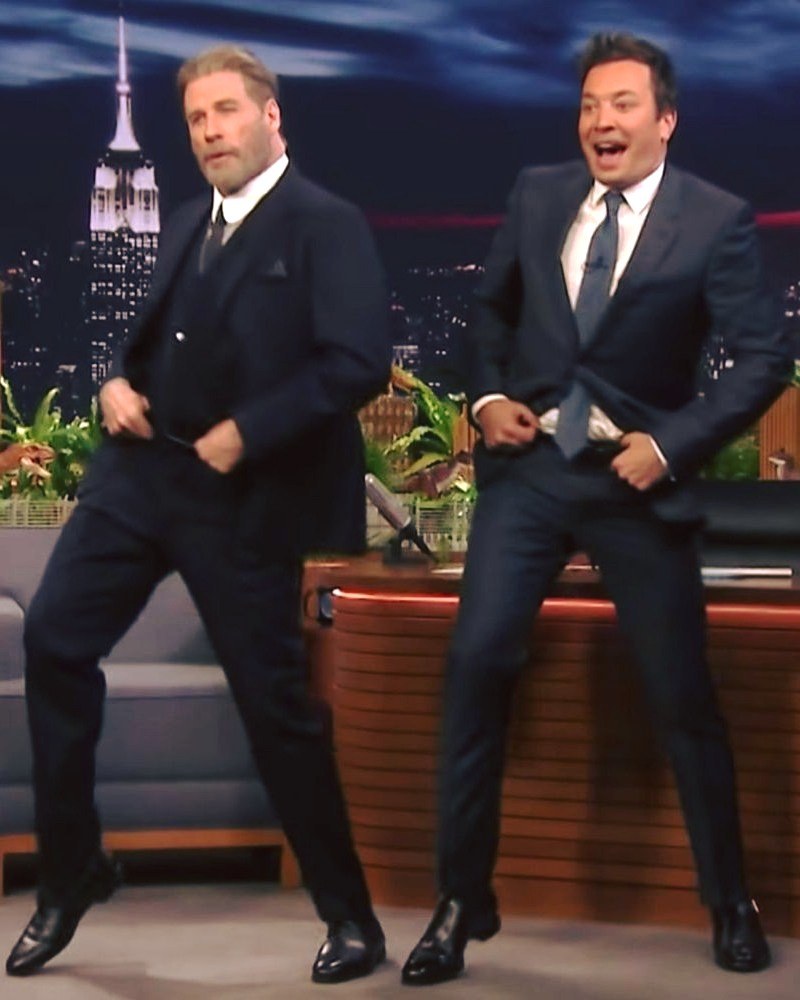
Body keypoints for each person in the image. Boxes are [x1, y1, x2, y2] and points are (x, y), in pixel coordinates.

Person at [401, 32, 791, 986]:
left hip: (632, 477)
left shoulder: (716, 220)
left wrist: (674, 444)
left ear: (665, 120)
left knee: (680, 693)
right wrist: (487, 399)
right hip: (532, 469)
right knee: (476, 663)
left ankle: (728, 901)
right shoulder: (538, 195)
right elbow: (488, 313)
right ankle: (460, 901)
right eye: (588, 106)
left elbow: (763, 357)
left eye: (621, 105)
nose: (600, 122)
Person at [6, 45, 390, 985]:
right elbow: (141, 343)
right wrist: (113, 382)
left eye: (225, 111)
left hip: (246, 498)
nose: (210, 132)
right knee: (53, 639)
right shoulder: (184, 222)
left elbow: (356, 363)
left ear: (271, 116)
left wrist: (247, 433)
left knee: (274, 708)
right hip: (140, 479)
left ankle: (350, 918)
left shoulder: (325, 223)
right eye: (196, 120)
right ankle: (72, 871)